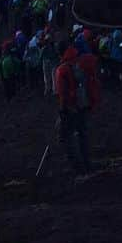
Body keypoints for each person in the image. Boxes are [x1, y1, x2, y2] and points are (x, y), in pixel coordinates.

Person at [53, 43, 93, 174]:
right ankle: (87, 162)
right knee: (83, 134)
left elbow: (62, 93)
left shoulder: (62, 69)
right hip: (83, 104)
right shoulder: (79, 62)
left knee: (65, 136)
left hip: (70, 107)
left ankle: (76, 166)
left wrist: (62, 109)